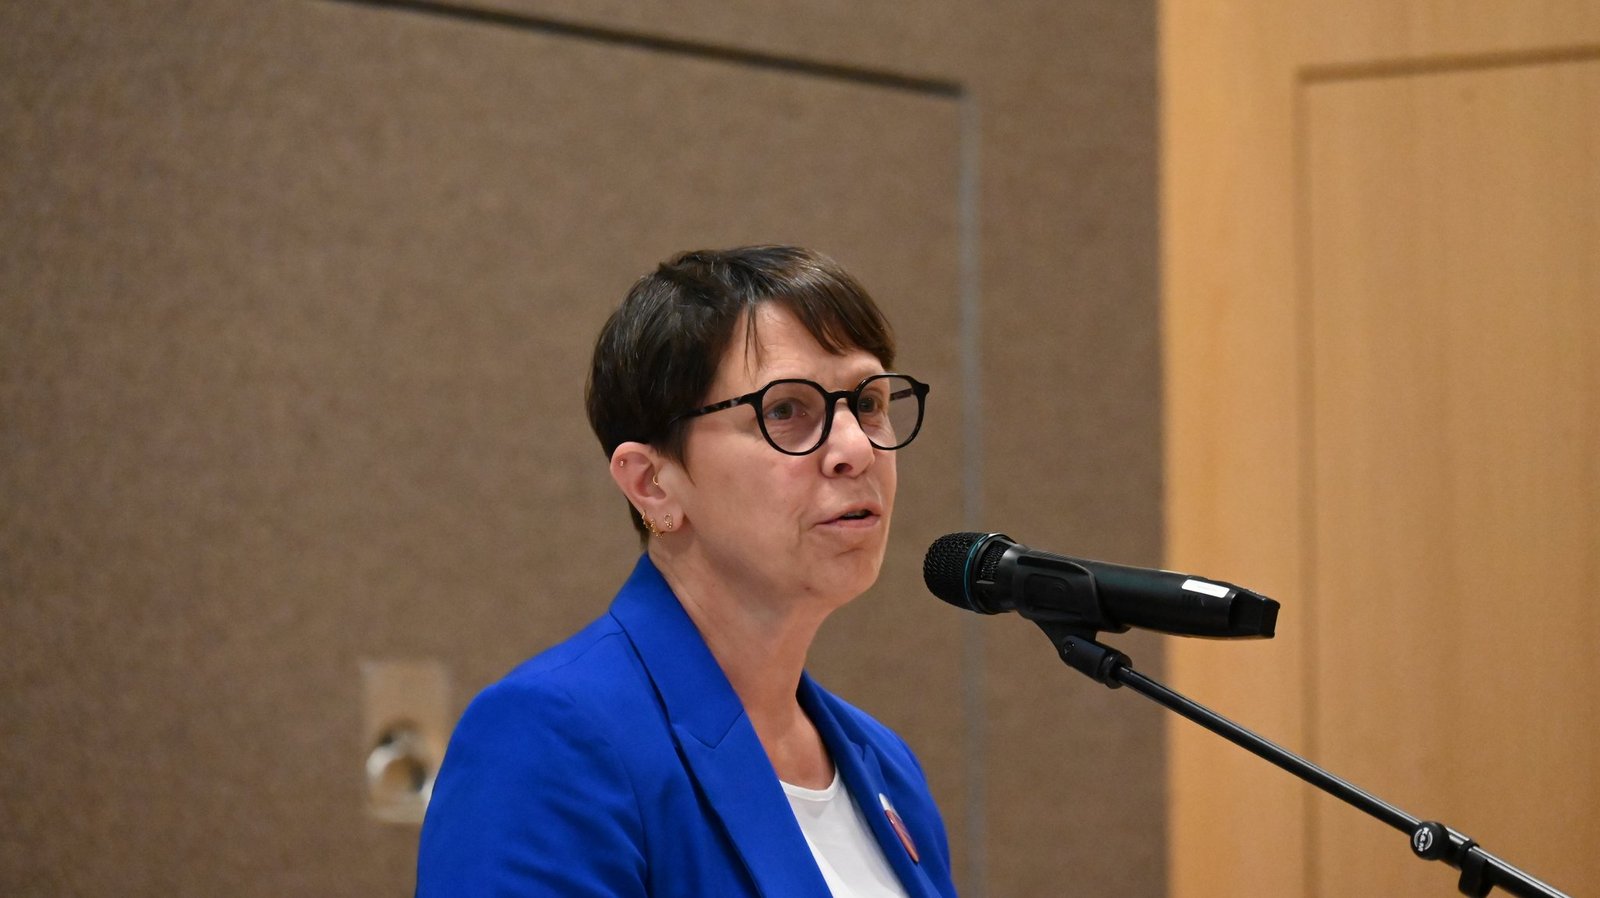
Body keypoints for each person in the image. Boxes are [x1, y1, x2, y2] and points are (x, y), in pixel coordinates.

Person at [416, 245, 955, 897]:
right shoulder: (548, 739)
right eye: (785, 410)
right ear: (652, 484)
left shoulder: (887, 766)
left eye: (868, 402)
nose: (856, 448)